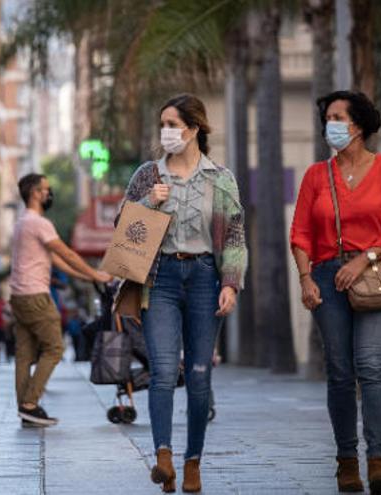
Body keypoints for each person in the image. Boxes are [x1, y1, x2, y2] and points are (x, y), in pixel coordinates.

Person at [120, 94, 247, 493]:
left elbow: (236, 237)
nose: (166, 132)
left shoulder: (220, 178)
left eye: (173, 124)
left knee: (198, 374)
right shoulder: (147, 174)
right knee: (161, 371)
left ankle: (193, 461)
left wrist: (231, 283)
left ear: (193, 130)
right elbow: (123, 227)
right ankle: (163, 457)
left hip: (205, 278)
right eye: (163, 124)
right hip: (161, 280)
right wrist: (147, 202)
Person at [290, 90, 381, 494]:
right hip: (326, 277)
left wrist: (364, 259)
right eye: (328, 117)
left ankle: (378, 460)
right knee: (340, 373)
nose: (331, 125)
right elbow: (301, 233)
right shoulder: (315, 176)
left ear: (358, 125)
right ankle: (346, 462)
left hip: (375, 275)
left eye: (338, 117)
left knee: (372, 367)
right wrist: (306, 278)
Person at [9, 173, 111, 427]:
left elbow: (56, 261)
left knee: (24, 355)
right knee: (55, 348)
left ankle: (26, 410)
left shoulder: (22, 223)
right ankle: (30, 403)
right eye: (46, 188)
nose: (49, 192)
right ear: (35, 193)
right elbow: (66, 253)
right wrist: (96, 273)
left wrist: (86, 278)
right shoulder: (40, 224)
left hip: (18, 297)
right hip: (36, 296)